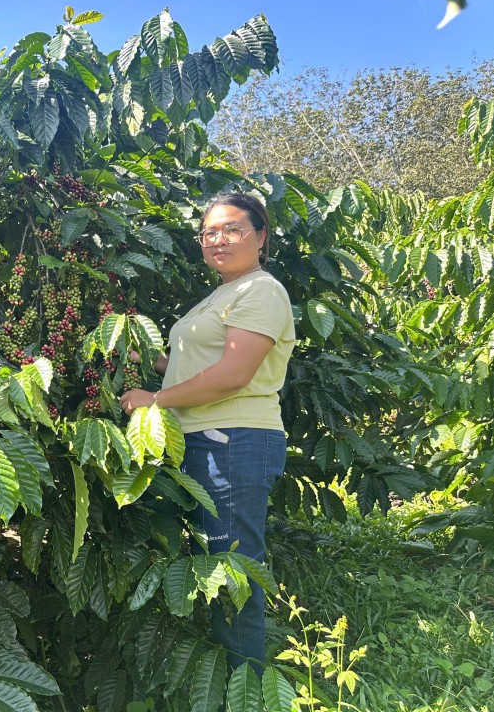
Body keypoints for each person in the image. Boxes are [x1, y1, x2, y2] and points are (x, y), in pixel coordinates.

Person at [119, 191, 295, 672]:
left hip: (233, 439)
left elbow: (233, 374)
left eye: (233, 229)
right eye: (209, 232)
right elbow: (193, 366)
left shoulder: (261, 290)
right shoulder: (220, 294)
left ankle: (245, 687)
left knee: (230, 568)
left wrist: (153, 400)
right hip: (202, 437)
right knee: (213, 565)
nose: (219, 239)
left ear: (260, 236)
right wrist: (144, 359)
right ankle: (228, 677)